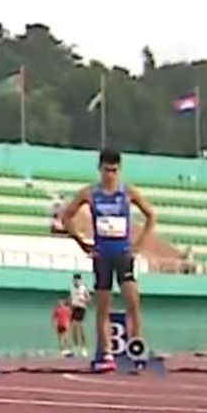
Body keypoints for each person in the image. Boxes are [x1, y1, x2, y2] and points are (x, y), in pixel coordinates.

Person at [57, 148, 157, 372]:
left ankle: (136, 349)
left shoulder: (128, 193)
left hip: (123, 255)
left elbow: (151, 215)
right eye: (106, 170)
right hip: (102, 256)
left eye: (114, 170)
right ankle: (106, 353)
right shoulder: (90, 193)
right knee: (103, 307)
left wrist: (139, 245)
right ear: (99, 169)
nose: (110, 175)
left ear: (119, 170)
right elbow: (66, 216)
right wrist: (81, 242)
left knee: (133, 302)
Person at [67, 273, 90, 355]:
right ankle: (76, 346)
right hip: (74, 308)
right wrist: (69, 304)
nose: (76, 281)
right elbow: (70, 298)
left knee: (79, 326)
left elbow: (89, 298)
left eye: (78, 280)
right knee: (73, 328)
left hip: (81, 308)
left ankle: (83, 347)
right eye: (75, 280)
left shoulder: (83, 288)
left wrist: (83, 300)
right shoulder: (72, 288)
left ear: (80, 280)